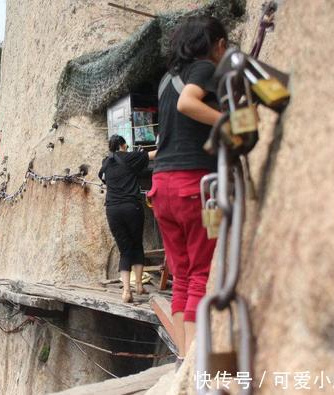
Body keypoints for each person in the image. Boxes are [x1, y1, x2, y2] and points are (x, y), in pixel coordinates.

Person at [147, 16, 227, 362]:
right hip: (192, 185)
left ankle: (183, 359)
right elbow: (189, 104)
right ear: (218, 45)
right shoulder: (204, 70)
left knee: (180, 276)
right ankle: (197, 363)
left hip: (161, 186)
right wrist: (228, 120)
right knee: (200, 274)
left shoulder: (167, 80)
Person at [98, 135, 150, 303]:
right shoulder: (129, 156)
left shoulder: (106, 162)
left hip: (112, 210)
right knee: (136, 245)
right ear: (122, 145)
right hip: (131, 207)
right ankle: (139, 287)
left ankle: (126, 291)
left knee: (124, 250)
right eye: (125, 146)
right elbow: (151, 156)